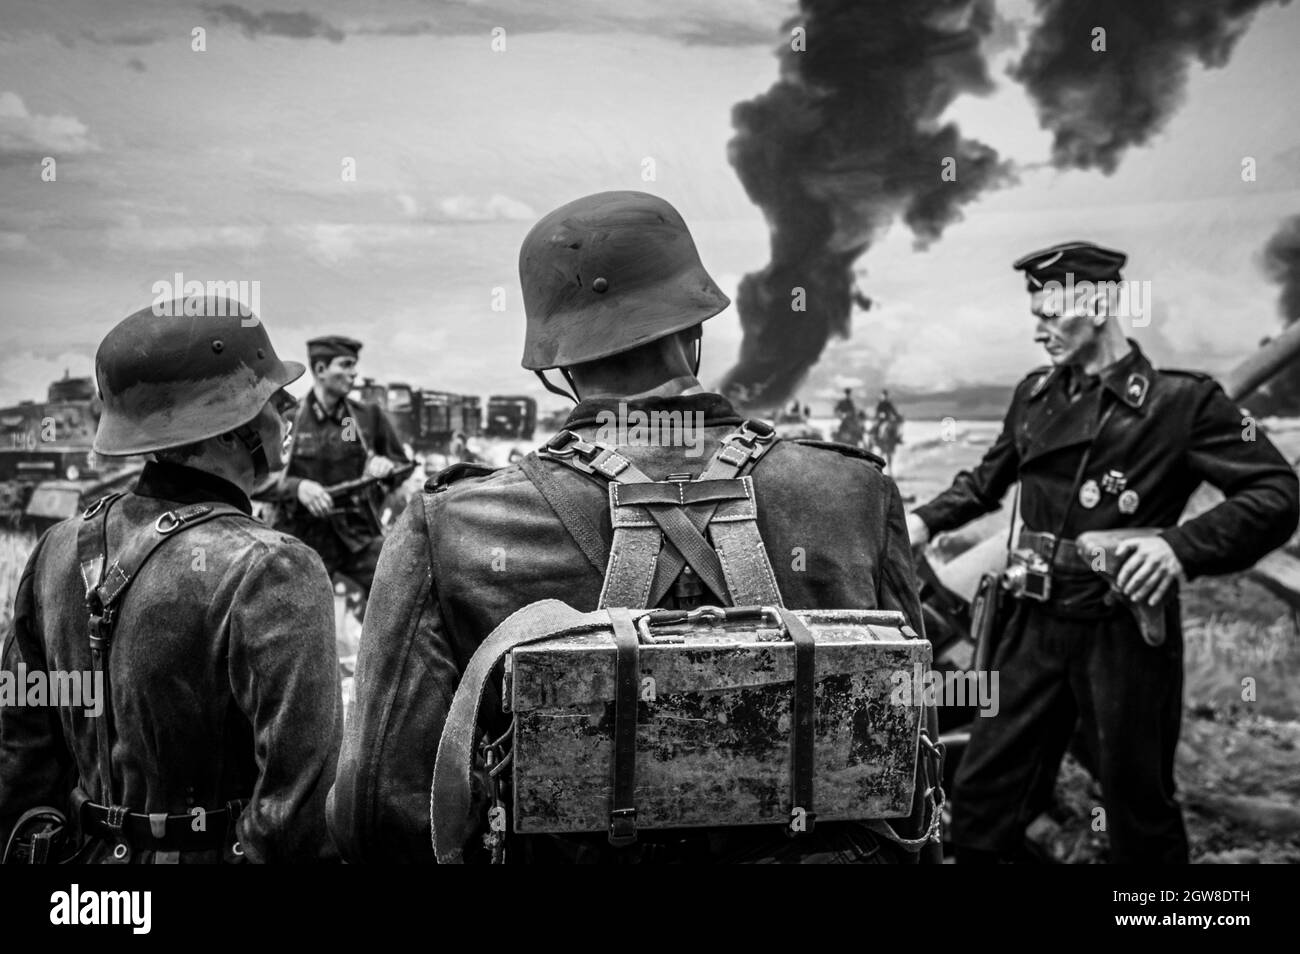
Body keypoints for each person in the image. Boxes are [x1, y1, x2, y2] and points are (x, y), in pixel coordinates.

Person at [329, 191, 941, 864]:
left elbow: (376, 814)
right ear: (695, 326)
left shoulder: (452, 526)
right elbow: (916, 766)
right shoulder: (856, 494)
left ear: (558, 362)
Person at [906, 241, 1300, 864]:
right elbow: (987, 481)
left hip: (1120, 630)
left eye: (1050, 313)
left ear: (1096, 303)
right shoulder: (1035, 396)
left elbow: (1276, 493)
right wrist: (921, 521)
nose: (1038, 331)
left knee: (1137, 806)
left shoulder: (1180, 403)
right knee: (983, 795)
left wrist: (1180, 547)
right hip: (1030, 623)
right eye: (1033, 314)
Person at [0, 297, 342, 863]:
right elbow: (299, 812)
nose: (285, 412)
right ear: (231, 426)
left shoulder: (56, 548)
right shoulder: (274, 567)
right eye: (271, 399)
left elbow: (21, 752)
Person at [269, 335, 409, 596]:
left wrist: (386, 467)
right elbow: (258, 479)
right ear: (321, 370)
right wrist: (297, 488)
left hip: (355, 535)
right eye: (345, 365)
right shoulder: (291, 418)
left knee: (401, 584)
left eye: (354, 365)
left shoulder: (367, 418)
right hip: (302, 538)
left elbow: (403, 465)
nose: (354, 373)